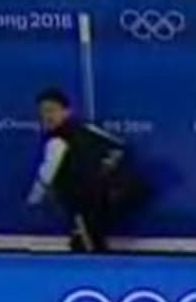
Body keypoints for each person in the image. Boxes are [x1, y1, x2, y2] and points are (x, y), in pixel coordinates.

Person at [25, 88, 143, 251]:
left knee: (87, 245)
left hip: (89, 201)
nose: (47, 116)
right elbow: (118, 147)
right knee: (88, 241)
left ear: (67, 111)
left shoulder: (59, 139)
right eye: (43, 112)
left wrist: (34, 199)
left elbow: (46, 174)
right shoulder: (83, 129)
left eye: (52, 110)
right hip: (94, 200)